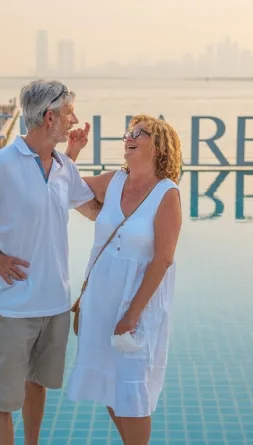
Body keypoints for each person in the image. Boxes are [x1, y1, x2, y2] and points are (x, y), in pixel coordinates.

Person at [0, 80, 101, 445]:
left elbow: (92, 211)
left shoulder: (62, 166)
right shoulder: (1, 164)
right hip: (11, 307)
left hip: (55, 304)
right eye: (70, 112)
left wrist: (142, 189)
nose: (75, 119)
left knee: (37, 386)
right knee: (3, 401)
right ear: (49, 116)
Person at [63, 114, 183, 445]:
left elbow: (163, 259)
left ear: (158, 146)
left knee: (133, 391)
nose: (128, 137)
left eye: (139, 133)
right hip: (101, 298)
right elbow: (64, 186)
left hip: (138, 304)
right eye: (128, 132)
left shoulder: (166, 194)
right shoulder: (114, 180)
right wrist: (72, 151)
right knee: (111, 387)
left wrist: (132, 315)